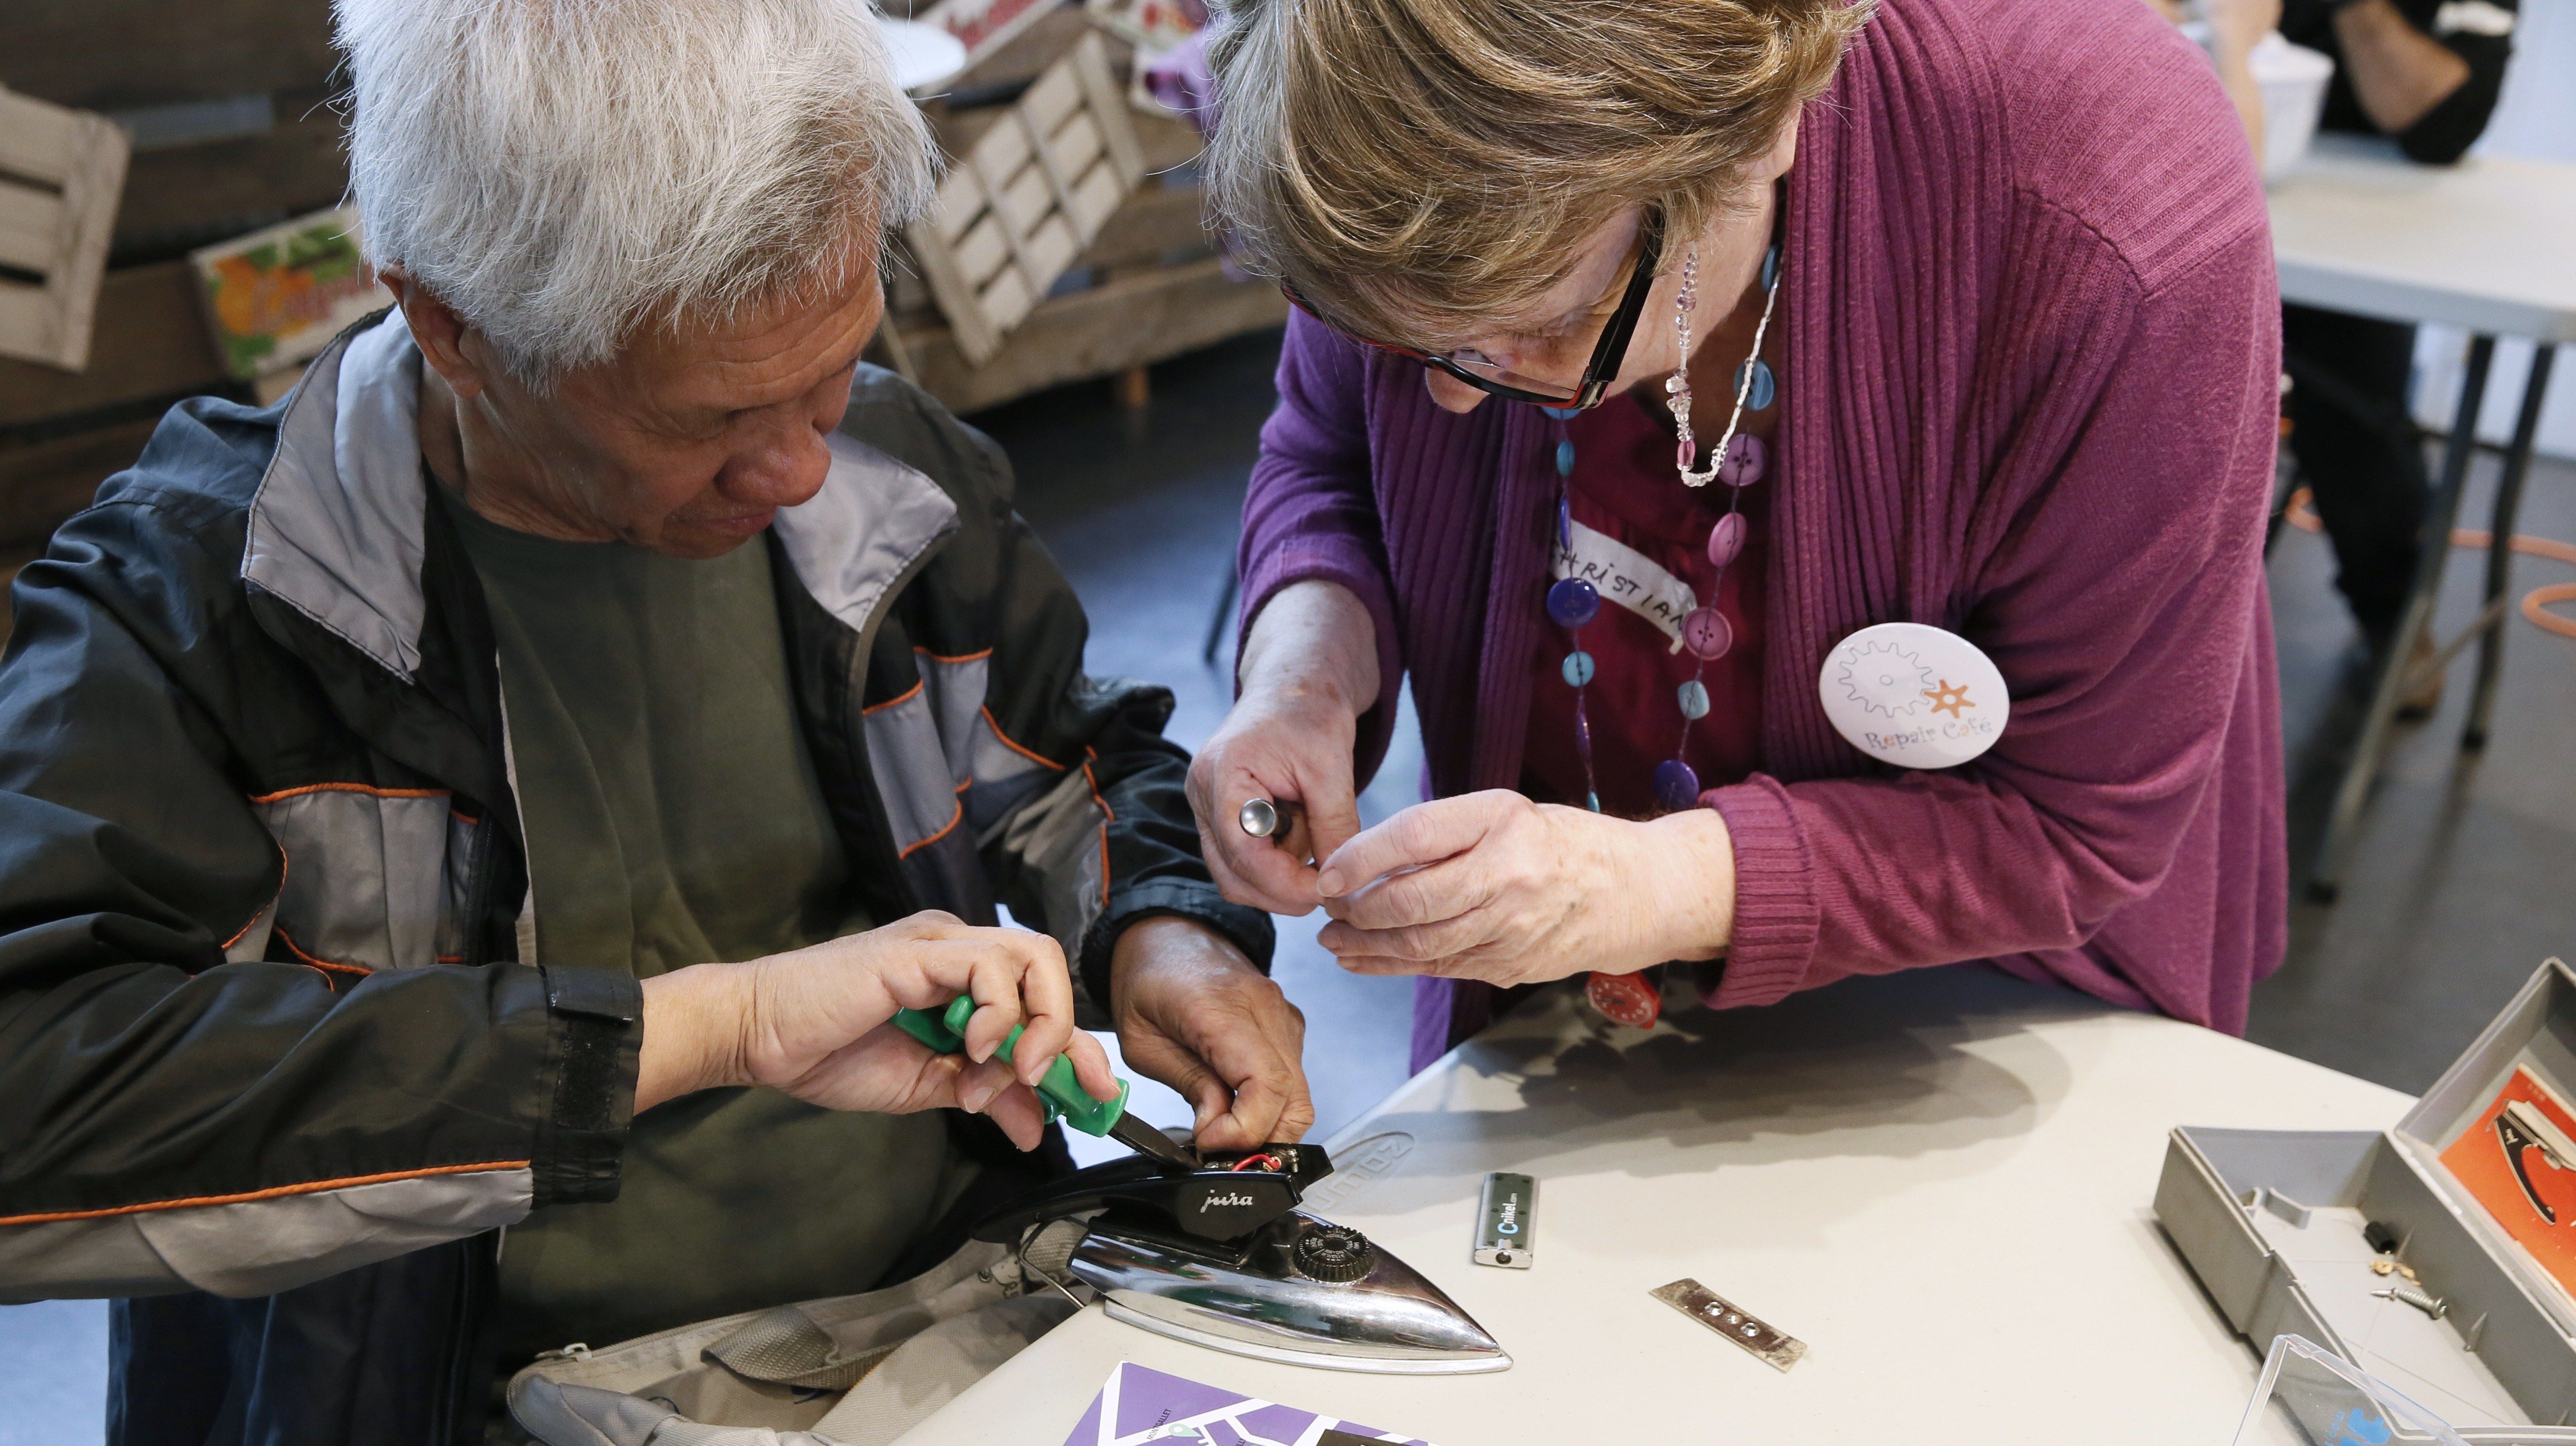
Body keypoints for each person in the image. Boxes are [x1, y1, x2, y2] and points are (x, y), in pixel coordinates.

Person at [0, 0, 1309, 1439]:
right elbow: (34, 1097)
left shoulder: (899, 477)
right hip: (467, 1397)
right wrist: (712, 1027)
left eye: (833, 369)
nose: (806, 467)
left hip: (948, 1319)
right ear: (452, 325)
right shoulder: (205, 606)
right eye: (712, 418)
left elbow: (1069, 758)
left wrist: (1162, 930)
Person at [1187, 0, 2290, 1070]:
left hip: (1981, 1020)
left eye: (1540, 325)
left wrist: (1647, 889)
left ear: (1756, 137)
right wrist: (1306, 674)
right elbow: (1330, 452)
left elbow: (2066, 823)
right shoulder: (1392, 133)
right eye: (1402, 338)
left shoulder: (2116, 224)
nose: (1458, 400)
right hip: (1567, 1005)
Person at [2272, 0, 2521, 700]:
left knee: (2356, 416)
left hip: (2365, 222)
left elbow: (2442, 131)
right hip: (2195, 175)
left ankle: (2390, 611)